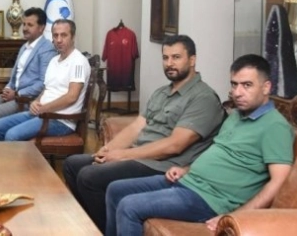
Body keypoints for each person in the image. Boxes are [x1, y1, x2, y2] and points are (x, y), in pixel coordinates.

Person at [105, 54, 294, 236]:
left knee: (129, 206)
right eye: (234, 84)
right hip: (189, 182)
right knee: (115, 189)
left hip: (210, 200)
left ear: (266, 87)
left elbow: (279, 182)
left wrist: (236, 217)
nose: (237, 93)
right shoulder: (236, 116)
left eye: (247, 85)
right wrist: (186, 169)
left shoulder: (275, 126)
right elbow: (217, 152)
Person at [62, 34, 225, 232]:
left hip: (162, 165)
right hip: (140, 156)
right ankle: (92, 227)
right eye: (165, 58)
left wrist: (123, 155)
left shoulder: (203, 98)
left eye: (176, 57)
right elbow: (135, 127)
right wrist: (107, 150)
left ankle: (104, 231)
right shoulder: (161, 93)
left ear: (192, 60)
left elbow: (175, 145)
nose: (169, 63)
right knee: (72, 164)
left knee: (89, 176)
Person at [0, 19, 90, 141]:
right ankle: (2, 155)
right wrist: (35, 102)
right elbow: (47, 89)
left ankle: (15, 154)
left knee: (12, 135)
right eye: (55, 35)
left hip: (60, 120)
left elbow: (72, 97)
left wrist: (44, 108)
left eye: (64, 35)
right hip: (41, 113)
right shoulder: (54, 60)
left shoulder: (78, 62)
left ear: (73, 37)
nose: (59, 40)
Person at [0, 7, 56, 140]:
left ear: (41, 28)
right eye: (24, 24)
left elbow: (43, 83)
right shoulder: (25, 46)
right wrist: (8, 88)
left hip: (28, 99)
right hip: (14, 95)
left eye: (30, 25)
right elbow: (16, 74)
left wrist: (17, 94)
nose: (25, 28)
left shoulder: (46, 49)